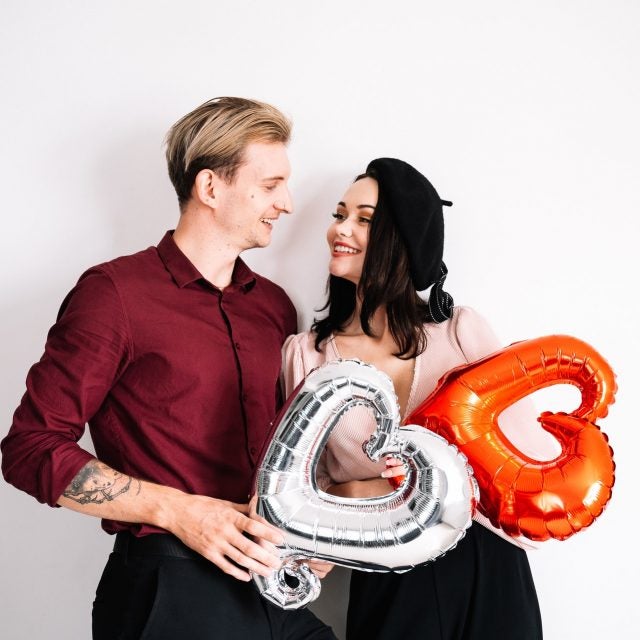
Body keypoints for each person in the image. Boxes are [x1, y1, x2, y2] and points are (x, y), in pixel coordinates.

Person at [1, 97, 335, 640]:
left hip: (271, 579)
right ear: (210, 187)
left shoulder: (274, 307)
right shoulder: (113, 294)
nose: (288, 203)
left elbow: (287, 450)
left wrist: (310, 531)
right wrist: (182, 512)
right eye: (271, 185)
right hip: (169, 587)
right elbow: (30, 448)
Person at [281, 158, 548, 640]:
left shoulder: (461, 333)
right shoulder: (307, 356)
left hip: (487, 561)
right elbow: (301, 492)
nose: (340, 229)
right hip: (389, 575)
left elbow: (526, 461)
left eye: (363, 219)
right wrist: (358, 493)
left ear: (400, 239)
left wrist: (430, 479)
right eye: (339, 214)